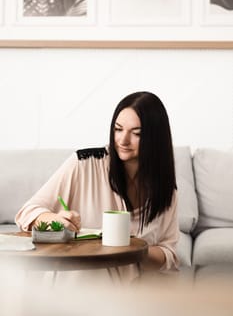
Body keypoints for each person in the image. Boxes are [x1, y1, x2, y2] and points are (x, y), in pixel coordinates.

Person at [15, 91, 179, 273]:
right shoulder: (84, 163)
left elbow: (169, 253)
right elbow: (27, 213)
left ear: (155, 138)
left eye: (136, 133)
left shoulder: (166, 188)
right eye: (118, 129)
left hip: (136, 290)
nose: (123, 140)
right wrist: (55, 220)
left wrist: (133, 250)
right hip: (84, 285)